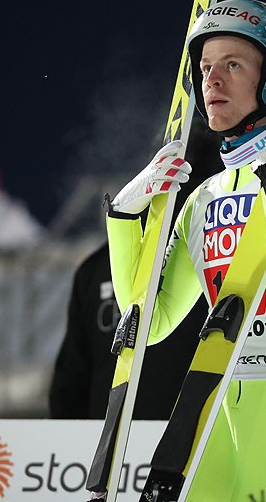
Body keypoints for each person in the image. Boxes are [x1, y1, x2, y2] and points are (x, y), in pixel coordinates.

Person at [105, 0, 266, 501]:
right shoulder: (202, 199)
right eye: (205, 68)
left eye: (233, 65)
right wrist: (124, 217)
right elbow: (147, 323)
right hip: (217, 402)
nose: (212, 80)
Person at [49, 117, 222, 420]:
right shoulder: (221, 254)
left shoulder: (95, 265)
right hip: (185, 431)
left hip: (125, 430)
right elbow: (70, 380)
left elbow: (69, 385)